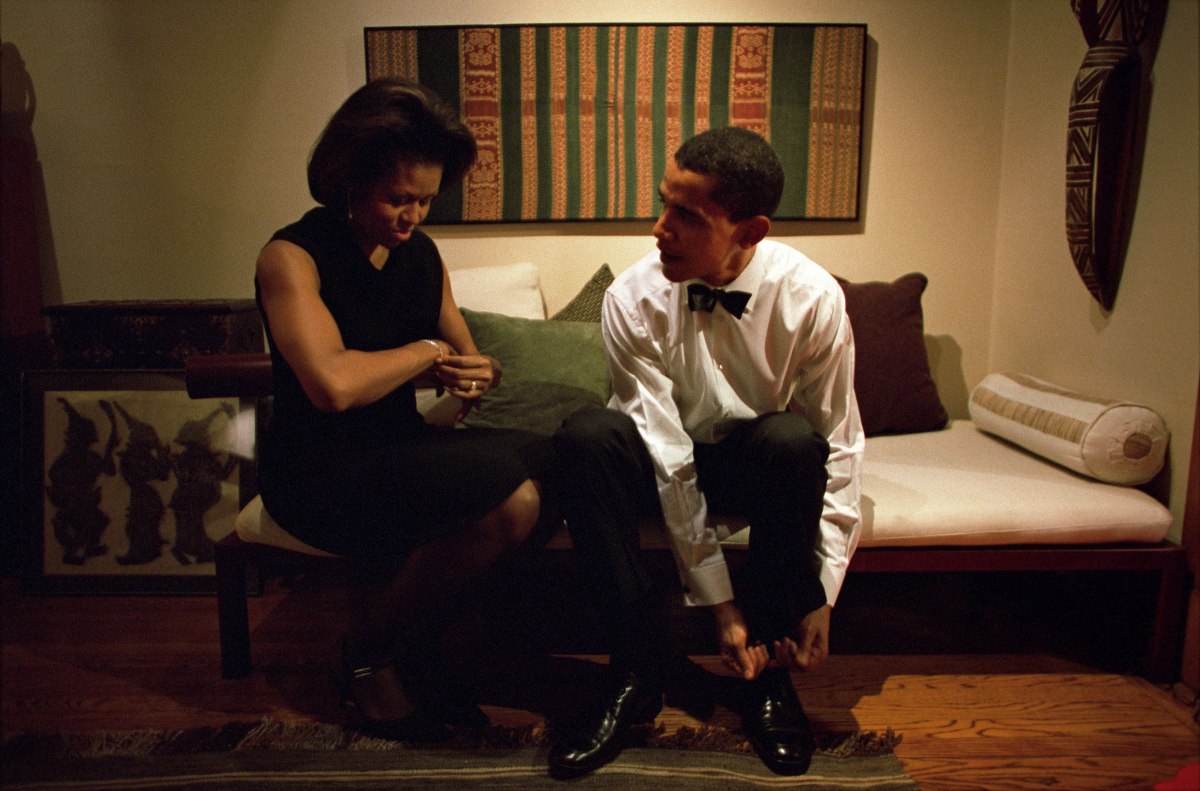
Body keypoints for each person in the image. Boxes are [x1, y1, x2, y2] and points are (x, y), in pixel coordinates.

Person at [549, 126, 863, 777]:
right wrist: (719, 604)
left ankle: (769, 677)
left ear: (750, 231)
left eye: (686, 215)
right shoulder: (631, 297)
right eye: (663, 203)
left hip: (752, 461)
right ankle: (634, 671)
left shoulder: (812, 298)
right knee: (586, 436)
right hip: (658, 460)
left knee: (793, 440)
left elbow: (841, 444)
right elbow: (666, 453)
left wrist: (820, 595)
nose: (660, 229)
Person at [254, 78, 558, 741]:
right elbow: (331, 385)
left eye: (424, 199)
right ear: (348, 179)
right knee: (511, 491)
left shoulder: (420, 255)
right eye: (398, 198)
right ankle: (368, 651)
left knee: (550, 467)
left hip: (397, 444)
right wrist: (425, 352)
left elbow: (468, 364)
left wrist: (479, 373)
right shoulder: (292, 256)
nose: (411, 216)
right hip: (319, 465)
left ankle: (414, 645)